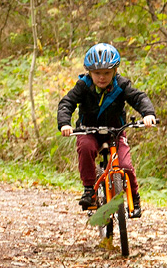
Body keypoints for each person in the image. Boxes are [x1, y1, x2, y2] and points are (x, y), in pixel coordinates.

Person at [57, 43, 156, 217]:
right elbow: (67, 103)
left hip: (115, 132)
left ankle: (134, 198)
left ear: (115, 71)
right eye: (97, 73)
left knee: (125, 165)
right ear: (89, 72)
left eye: (107, 73)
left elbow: (139, 98)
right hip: (89, 131)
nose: (102, 77)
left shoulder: (121, 85)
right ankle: (89, 190)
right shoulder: (83, 86)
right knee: (85, 148)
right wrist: (65, 123)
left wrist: (148, 114)